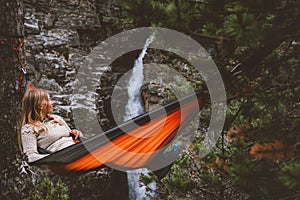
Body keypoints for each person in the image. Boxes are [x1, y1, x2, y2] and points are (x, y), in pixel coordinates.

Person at [18, 89, 83, 163]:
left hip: (79, 150)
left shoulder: (56, 118)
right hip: (66, 158)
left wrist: (77, 133)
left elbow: (73, 137)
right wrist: (55, 158)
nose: (52, 103)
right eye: (48, 100)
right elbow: (31, 157)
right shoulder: (28, 128)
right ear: (40, 105)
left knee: (97, 145)